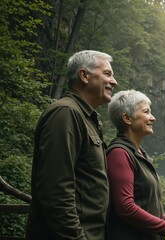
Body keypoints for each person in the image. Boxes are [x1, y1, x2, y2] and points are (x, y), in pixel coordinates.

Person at [26, 50, 118, 239]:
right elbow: (56, 191)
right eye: (107, 74)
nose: (114, 81)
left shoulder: (87, 118)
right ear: (84, 75)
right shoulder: (65, 113)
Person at [106, 90, 165, 240]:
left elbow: (144, 202)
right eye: (146, 112)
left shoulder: (139, 153)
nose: (153, 118)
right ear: (127, 118)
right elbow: (125, 207)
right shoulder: (119, 154)